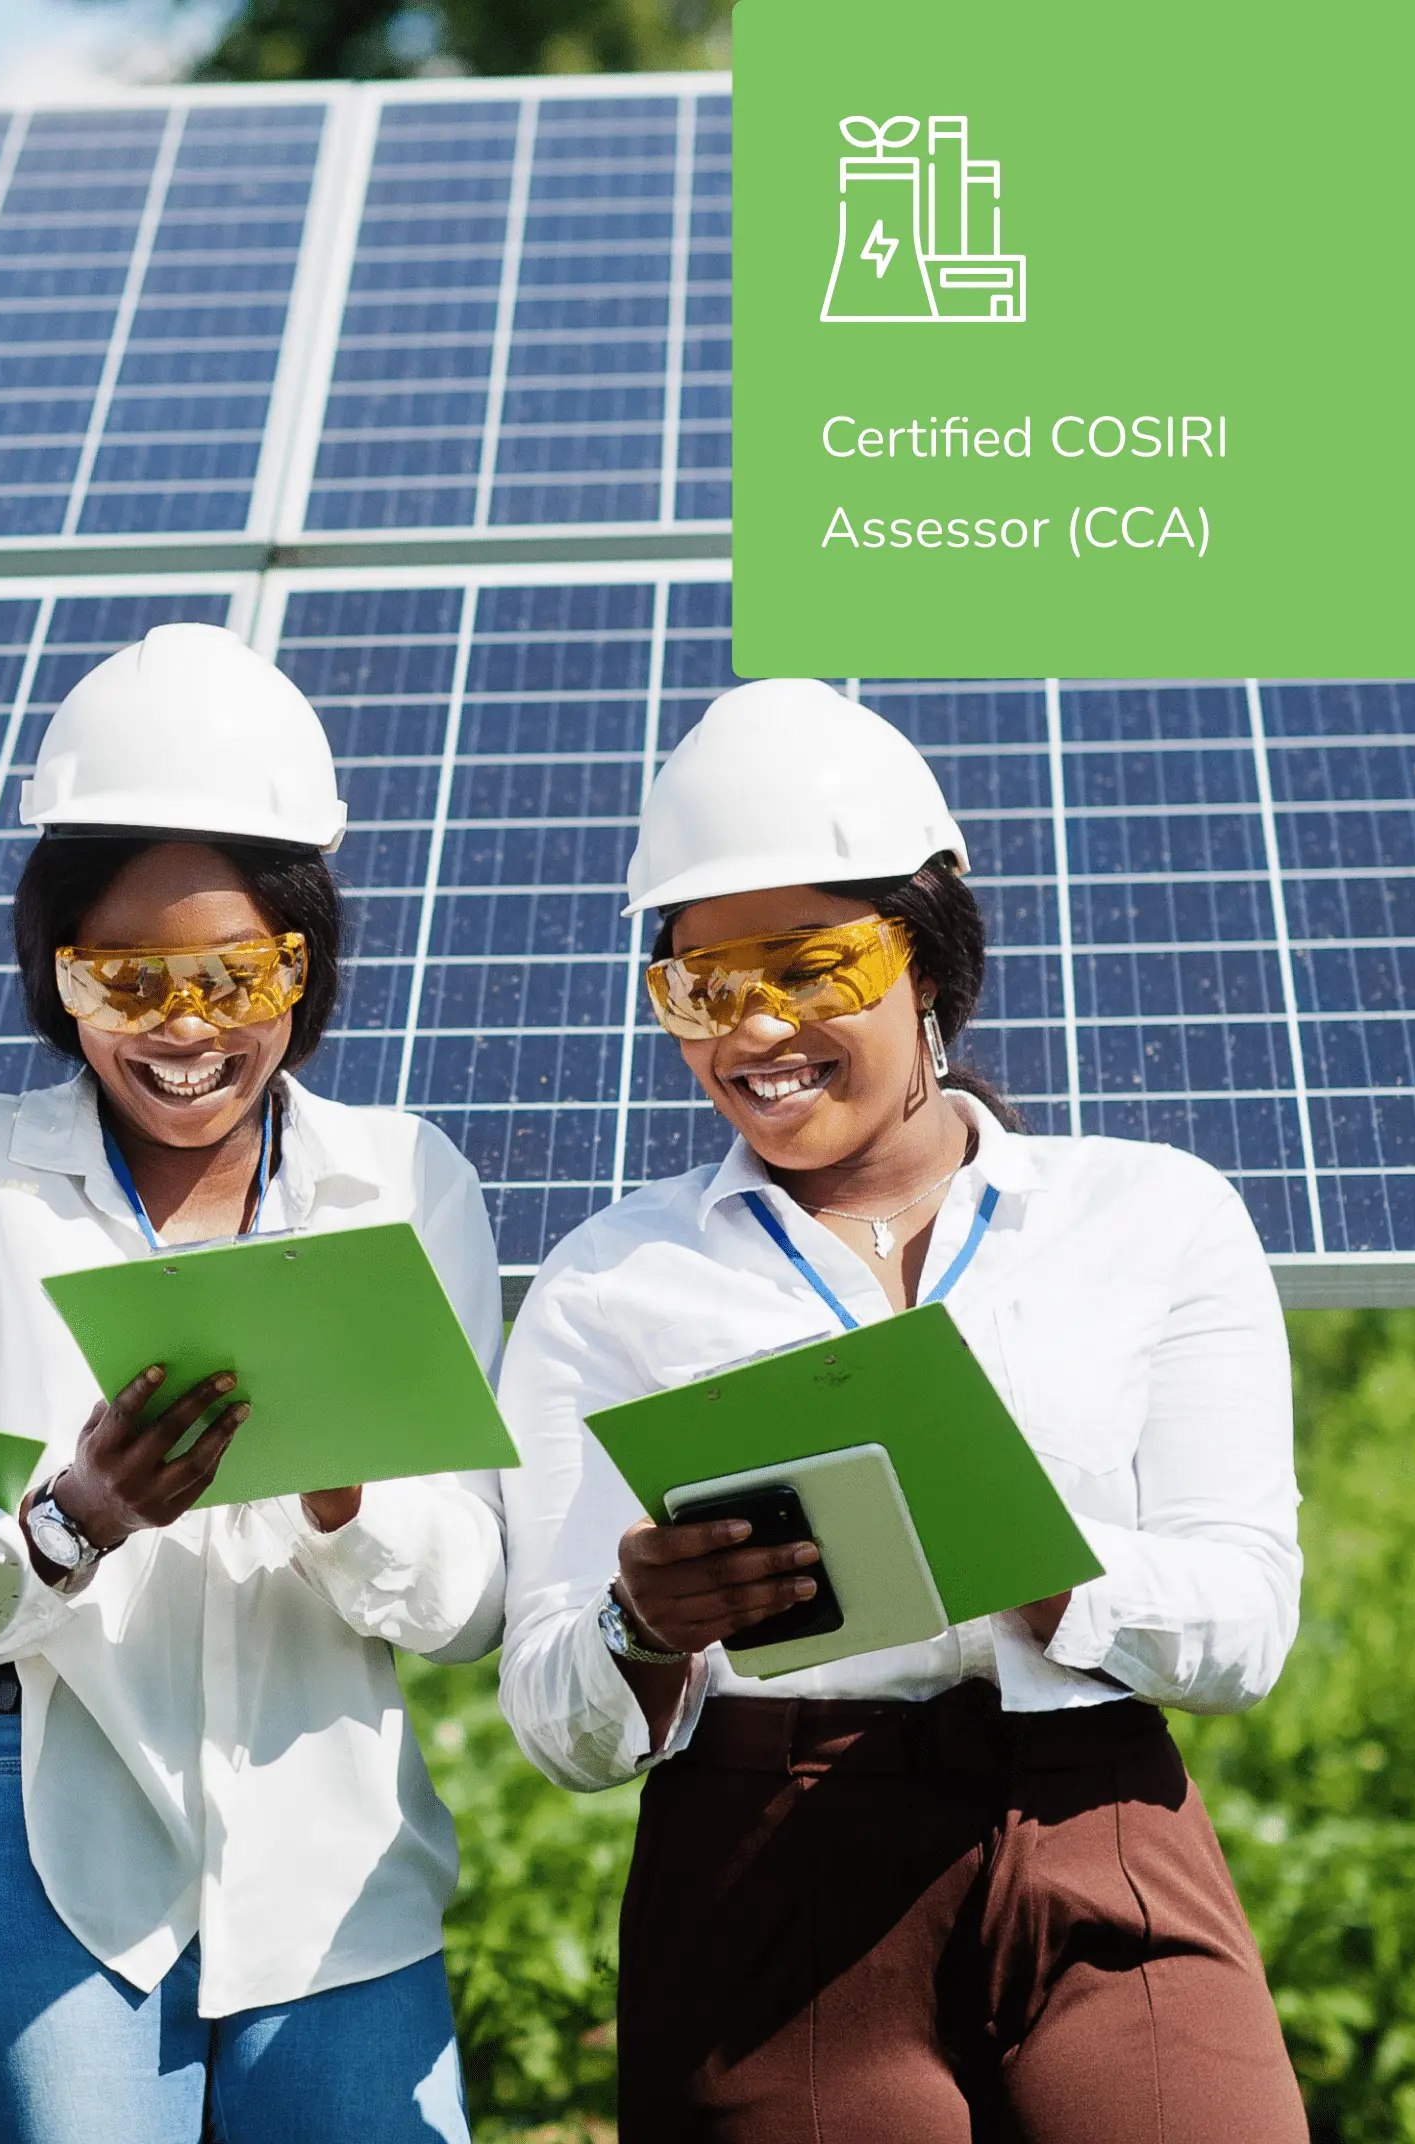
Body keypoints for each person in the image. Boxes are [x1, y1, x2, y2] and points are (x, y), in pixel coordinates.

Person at [495, 678, 1308, 2142]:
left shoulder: (1155, 1217)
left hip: (1098, 1821)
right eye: (703, 986)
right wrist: (643, 1629)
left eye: (811, 967)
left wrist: (1050, 1570)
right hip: (768, 1868)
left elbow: (1247, 1624)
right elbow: (556, 1722)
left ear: (925, 960)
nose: (759, 1028)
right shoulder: (610, 1282)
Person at [0, 622, 505, 2144]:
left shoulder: (400, 1183)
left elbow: (471, 1614)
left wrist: (350, 1491)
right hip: (42, 1818)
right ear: (57, 978)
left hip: (336, 1871)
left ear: (305, 962)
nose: (184, 1029)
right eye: (126, 978)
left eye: (235, 973)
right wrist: (73, 1516)